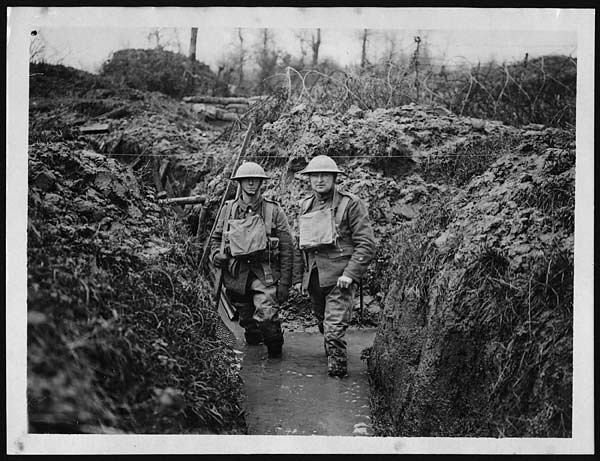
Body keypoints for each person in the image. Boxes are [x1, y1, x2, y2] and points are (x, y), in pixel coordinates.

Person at [292, 155, 376, 377]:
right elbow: (301, 245)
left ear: (334, 178)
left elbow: (366, 244)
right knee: (322, 322)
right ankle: (331, 349)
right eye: (315, 176)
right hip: (315, 280)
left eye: (325, 175)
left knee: (334, 330)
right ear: (309, 179)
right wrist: (300, 277)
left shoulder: (351, 204)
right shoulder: (305, 205)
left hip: (340, 279)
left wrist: (350, 274)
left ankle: (337, 377)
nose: (319, 180)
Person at [210, 162, 293, 358]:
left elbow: (287, 248)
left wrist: (285, 283)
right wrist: (216, 255)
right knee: (248, 322)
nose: (251, 183)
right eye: (246, 179)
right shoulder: (228, 210)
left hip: (263, 273)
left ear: (261, 183)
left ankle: (275, 353)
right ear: (239, 182)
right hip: (236, 275)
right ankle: (253, 355)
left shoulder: (273, 211)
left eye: (255, 179)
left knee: (267, 315)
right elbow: (215, 239)